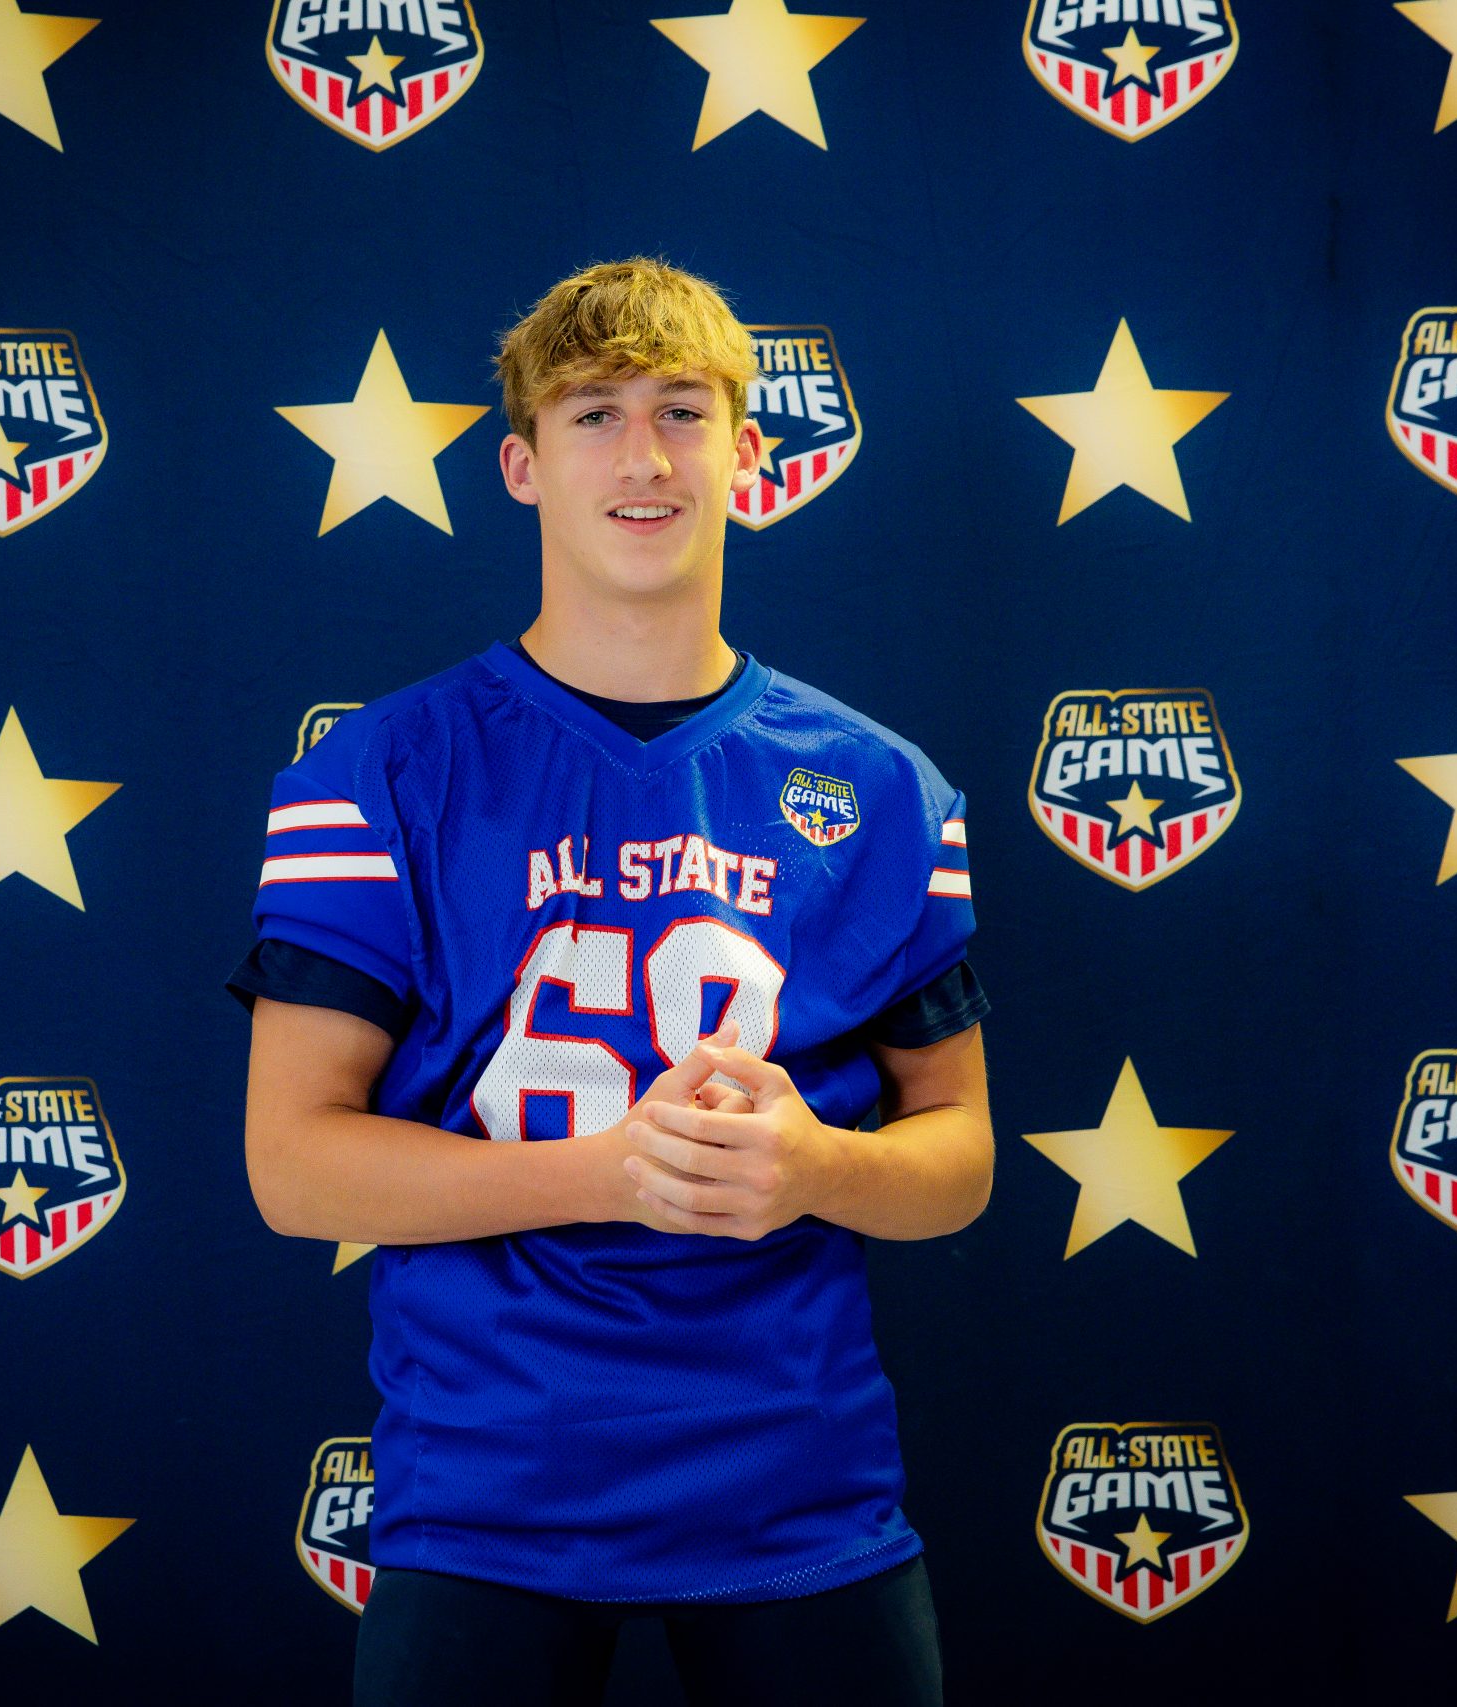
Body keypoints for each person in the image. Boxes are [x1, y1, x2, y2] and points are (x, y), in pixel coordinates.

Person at [231, 258, 993, 1707]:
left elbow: (957, 1159)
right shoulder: (383, 770)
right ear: (521, 465)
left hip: (798, 1482)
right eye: (593, 414)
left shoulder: (882, 787)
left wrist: (817, 1166)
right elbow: (294, 1165)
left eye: (682, 412)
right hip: (491, 1490)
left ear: (747, 454)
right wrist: (610, 1175)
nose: (643, 457)